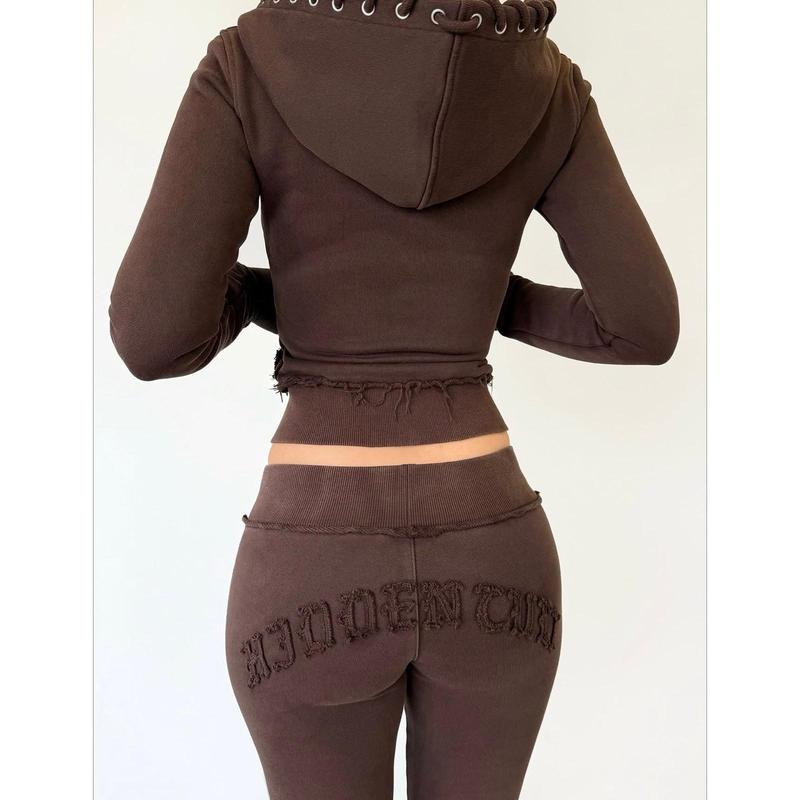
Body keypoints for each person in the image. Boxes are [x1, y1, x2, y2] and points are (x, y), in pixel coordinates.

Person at [108, 1, 679, 797]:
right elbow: (642, 325)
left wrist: (280, 301)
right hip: (495, 545)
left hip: (314, 558)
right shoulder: (547, 84)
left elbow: (152, 335)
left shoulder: (250, 64)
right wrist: (478, 305)